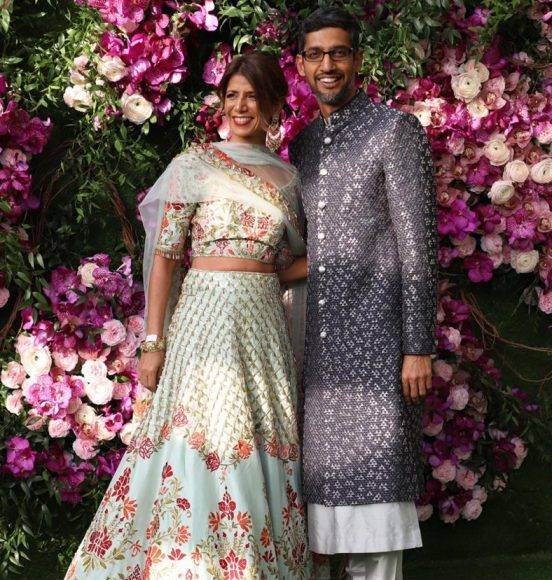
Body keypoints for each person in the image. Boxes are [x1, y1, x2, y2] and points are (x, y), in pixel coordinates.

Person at [65, 52, 312, 579]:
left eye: (253, 97)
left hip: (262, 325)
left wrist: (335, 257)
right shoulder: (193, 166)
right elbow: (165, 258)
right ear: (221, 102)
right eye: (232, 95)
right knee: (201, 433)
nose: (240, 106)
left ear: (274, 105)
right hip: (202, 319)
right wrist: (153, 343)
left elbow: (284, 267)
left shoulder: (289, 179)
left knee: (256, 437)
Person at [286, 7, 438, 580]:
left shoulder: (394, 131)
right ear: (301, 64)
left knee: (377, 504)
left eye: (339, 52)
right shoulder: (302, 146)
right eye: (316, 54)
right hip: (319, 350)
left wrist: (417, 346)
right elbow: (312, 248)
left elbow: (419, 244)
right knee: (324, 512)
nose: (328, 65)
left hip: (378, 341)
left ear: (357, 59)